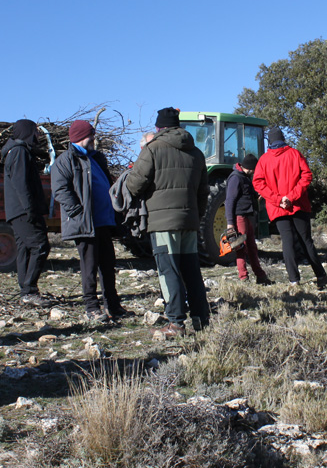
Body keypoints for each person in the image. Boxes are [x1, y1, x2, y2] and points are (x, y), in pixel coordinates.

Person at [126, 107, 210, 336]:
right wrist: (196, 216)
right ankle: (201, 319)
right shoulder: (196, 152)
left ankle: (176, 323)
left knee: (168, 271)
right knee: (192, 271)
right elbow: (204, 192)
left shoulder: (153, 149)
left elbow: (134, 185)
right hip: (189, 222)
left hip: (163, 223)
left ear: (158, 127)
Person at [51, 120, 127, 322]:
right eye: (90, 135)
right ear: (80, 137)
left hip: (104, 222)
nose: (94, 138)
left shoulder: (96, 158)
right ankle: (92, 307)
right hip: (86, 224)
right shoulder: (66, 160)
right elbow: (60, 189)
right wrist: (78, 211)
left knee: (108, 266)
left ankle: (113, 306)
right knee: (89, 268)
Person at [252, 128, 327, 287]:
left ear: (269, 141)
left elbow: (258, 183)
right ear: (283, 138)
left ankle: (294, 280)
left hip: (278, 208)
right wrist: (291, 197)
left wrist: (278, 200)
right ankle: (321, 277)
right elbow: (307, 175)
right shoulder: (295, 154)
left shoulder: (264, 160)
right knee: (306, 241)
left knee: (287, 242)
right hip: (298, 205)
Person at [2, 119, 51, 307]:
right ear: (28, 132)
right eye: (35, 131)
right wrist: (31, 209)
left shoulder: (15, 151)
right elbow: (21, 184)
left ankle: (26, 291)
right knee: (40, 246)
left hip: (17, 211)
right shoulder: (19, 152)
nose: (38, 135)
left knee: (25, 249)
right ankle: (29, 291)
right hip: (24, 211)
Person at [225, 153, 270, 284]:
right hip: (240, 217)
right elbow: (229, 201)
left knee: (252, 247)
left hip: (248, 216)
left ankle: (261, 276)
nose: (255, 172)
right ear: (250, 167)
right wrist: (230, 223)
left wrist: (256, 196)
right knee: (241, 247)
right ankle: (243, 277)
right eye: (254, 169)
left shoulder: (245, 177)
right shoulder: (235, 178)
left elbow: (245, 195)